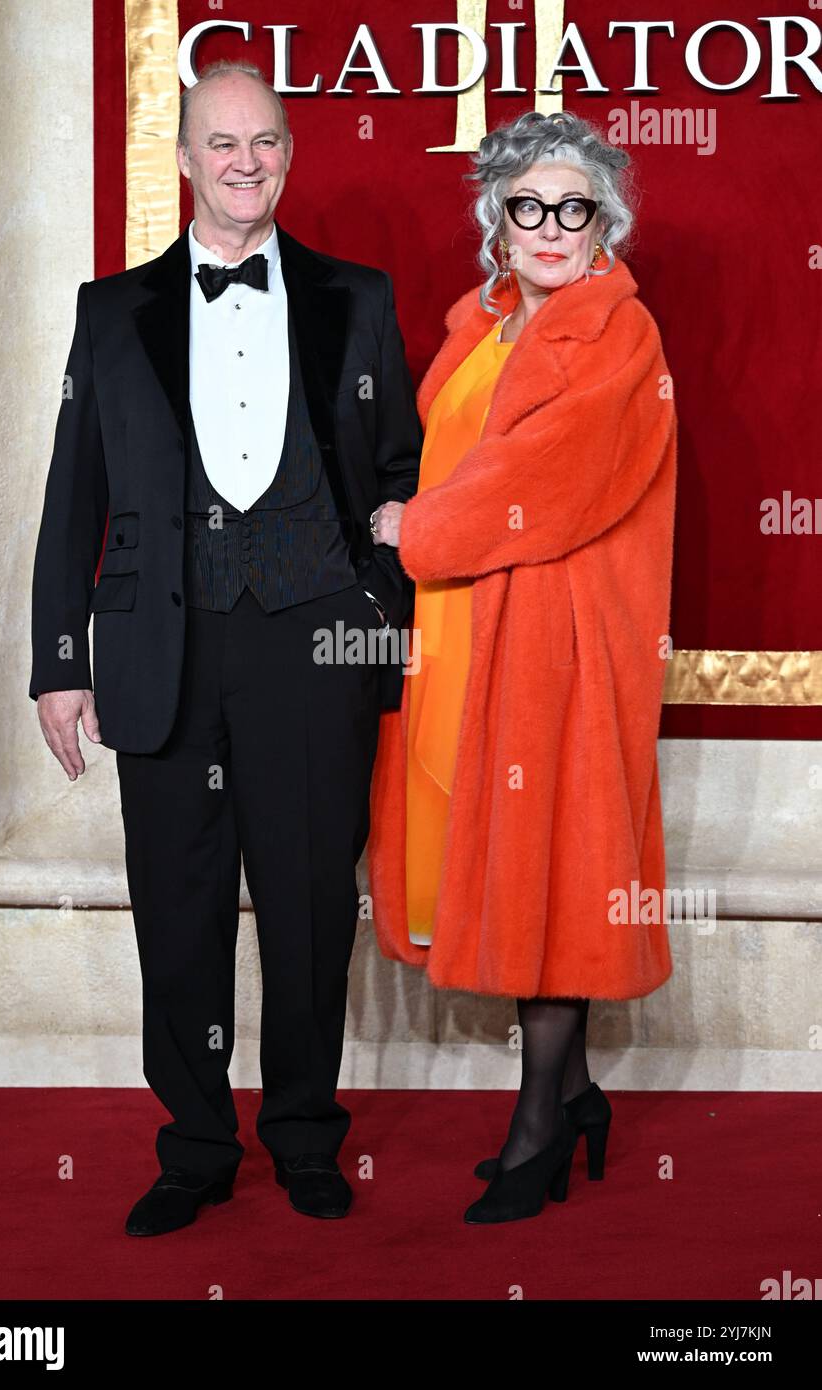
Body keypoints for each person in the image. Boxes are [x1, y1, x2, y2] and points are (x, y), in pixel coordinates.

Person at [30, 60, 421, 1235]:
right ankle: (196, 1146)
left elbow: (402, 475)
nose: (245, 161)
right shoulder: (112, 312)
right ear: (188, 158)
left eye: (266, 142)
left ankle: (305, 1133)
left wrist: (378, 614)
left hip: (315, 648)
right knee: (179, 911)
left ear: (288, 157)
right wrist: (60, 659)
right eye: (222, 142)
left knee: (309, 908)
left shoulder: (360, 297)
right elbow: (71, 496)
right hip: (162, 650)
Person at [367, 110, 677, 1224]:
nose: (550, 227)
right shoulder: (482, 327)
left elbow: (543, 481)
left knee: (553, 867)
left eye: (574, 207)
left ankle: (540, 1123)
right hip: (473, 630)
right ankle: (581, 1096)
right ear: (497, 221)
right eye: (527, 206)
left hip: (562, 643)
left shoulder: (616, 335)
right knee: (511, 853)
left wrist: (416, 530)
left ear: (607, 223)